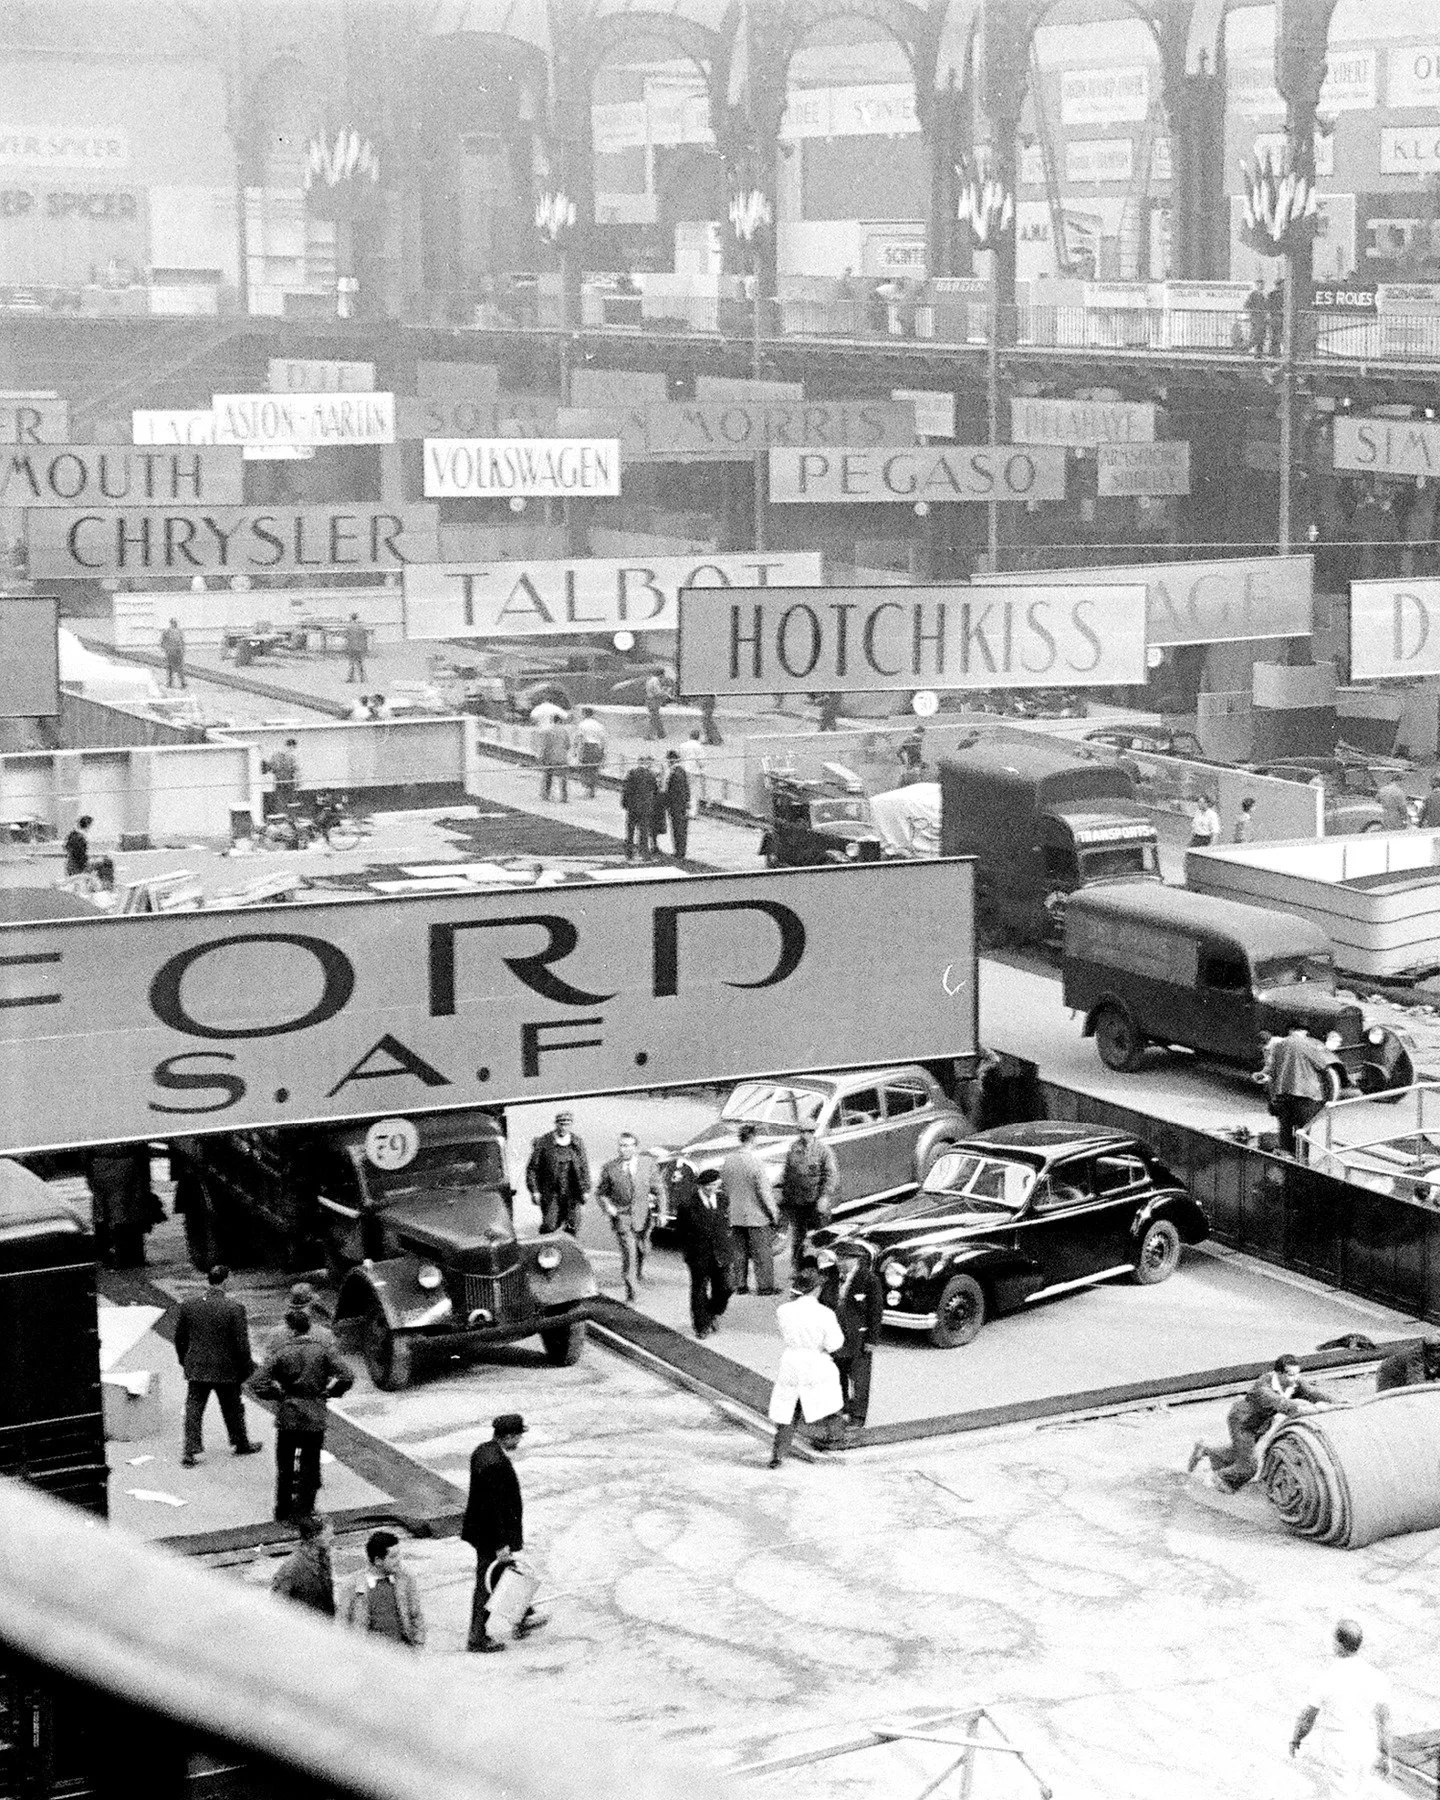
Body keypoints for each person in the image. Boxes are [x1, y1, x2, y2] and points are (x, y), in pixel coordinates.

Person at [248, 1308, 354, 1522]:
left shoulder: (282, 1352)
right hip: (314, 1413)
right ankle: (304, 1511)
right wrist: (330, 1392)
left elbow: (256, 1382)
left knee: (285, 1466)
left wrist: (277, 1394)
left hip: (288, 1414)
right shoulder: (322, 1350)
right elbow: (347, 1376)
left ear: (291, 1329)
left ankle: (283, 1510)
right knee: (310, 1464)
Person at [1187, 1353, 1342, 1492]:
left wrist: (1338, 1402)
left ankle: (1205, 1449)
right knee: (1248, 1467)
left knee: (1238, 1453)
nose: (1295, 1379)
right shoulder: (1263, 1387)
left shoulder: (1293, 1382)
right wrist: (1317, 1408)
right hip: (1243, 1422)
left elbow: (1312, 1393)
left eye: (1297, 1374)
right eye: (1290, 1375)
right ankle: (1214, 1481)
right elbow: (1285, 1406)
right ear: (1279, 1373)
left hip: (1260, 1424)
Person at [463, 1414, 543, 1653]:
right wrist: (501, 1543)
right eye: (518, 1436)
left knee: (502, 1575)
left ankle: (523, 1616)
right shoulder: (496, 1464)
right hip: (491, 1536)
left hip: (482, 1531)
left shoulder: (483, 1451)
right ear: (508, 1436)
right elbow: (493, 1507)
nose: (519, 1440)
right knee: (488, 1583)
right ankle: (477, 1637)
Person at [1290, 1619, 1392, 1795]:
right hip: (1365, 1743)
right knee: (1359, 1794)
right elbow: (1384, 1721)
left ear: (1338, 1644)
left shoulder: (1328, 1678)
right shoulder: (1376, 1677)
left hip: (1339, 1746)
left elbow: (1307, 1717)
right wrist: (1385, 1754)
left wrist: (1296, 1739)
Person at [174, 1264, 261, 1467]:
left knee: (194, 1408)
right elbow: (242, 1345)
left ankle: (190, 1450)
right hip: (226, 1367)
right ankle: (240, 1442)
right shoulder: (235, 1308)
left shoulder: (189, 1305)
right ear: (226, 1280)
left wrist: (184, 1360)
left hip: (197, 1365)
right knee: (232, 1406)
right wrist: (248, 1369)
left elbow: (180, 1338)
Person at [766, 1263, 845, 1467]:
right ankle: (835, 1437)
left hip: (791, 1361)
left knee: (788, 1409)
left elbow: (783, 1333)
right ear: (816, 1289)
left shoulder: (784, 1310)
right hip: (816, 1361)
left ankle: (778, 1454)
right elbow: (835, 1343)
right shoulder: (825, 1314)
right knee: (827, 1402)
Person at [595, 1130, 664, 1302]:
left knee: (643, 1250)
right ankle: (632, 1291)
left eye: (627, 1146)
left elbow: (660, 1190)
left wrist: (662, 1212)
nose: (623, 1149)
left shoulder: (648, 1164)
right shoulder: (610, 1168)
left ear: (635, 1148)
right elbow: (601, 1193)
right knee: (629, 1253)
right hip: (622, 1217)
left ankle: (637, 1275)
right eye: (621, 1145)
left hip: (643, 1216)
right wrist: (608, 1206)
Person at [824, 1245, 884, 1430]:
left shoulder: (869, 1279)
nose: (840, 1263)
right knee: (837, 1374)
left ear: (855, 1260)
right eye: (839, 1259)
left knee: (859, 1378)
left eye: (844, 1259)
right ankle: (840, 1407)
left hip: (858, 1338)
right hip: (836, 1336)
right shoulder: (831, 1276)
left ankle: (858, 1416)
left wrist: (872, 1339)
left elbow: (875, 1311)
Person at [722, 1121, 779, 1295]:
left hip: (735, 1214)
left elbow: (725, 1186)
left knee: (738, 1252)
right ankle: (765, 1287)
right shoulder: (756, 1163)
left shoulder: (728, 1160)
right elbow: (765, 1194)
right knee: (762, 1254)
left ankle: (740, 1285)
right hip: (756, 1216)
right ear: (753, 1139)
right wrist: (774, 1214)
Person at [1264, 1026, 1342, 1155]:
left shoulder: (1278, 1045)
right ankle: (1302, 1162)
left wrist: (1272, 1098)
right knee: (1303, 1133)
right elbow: (1323, 1067)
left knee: (1285, 1130)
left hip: (1283, 1095)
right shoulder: (1308, 1044)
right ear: (1304, 1031)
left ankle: (1285, 1158)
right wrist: (1329, 1099)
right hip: (1305, 1096)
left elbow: (1272, 1071)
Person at [675, 1167, 732, 1338]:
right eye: (711, 1185)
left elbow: (726, 1224)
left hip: (721, 1253)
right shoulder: (688, 1205)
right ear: (702, 1186)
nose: (714, 1188)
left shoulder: (723, 1200)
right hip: (699, 1254)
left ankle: (713, 1310)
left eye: (717, 1184)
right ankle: (701, 1326)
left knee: (725, 1287)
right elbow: (680, 1232)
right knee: (699, 1289)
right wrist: (689, 1252)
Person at [343, 1531, 426, 1649]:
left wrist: (418, 1644)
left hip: (404, 1652)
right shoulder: (353, 1586)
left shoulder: (405, 1578)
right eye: (393, 1557)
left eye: (398, 1555)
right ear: (378, 1561)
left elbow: (416, 1614)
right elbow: (343, 1623)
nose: (398, 1560)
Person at [87, 1143, 160, 1268]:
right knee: (127, 1211)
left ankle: (108, 1253)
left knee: (103, 1210)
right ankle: (127, 1256)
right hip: (125, 1163)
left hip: (100, 1164)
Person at [778, 1124, 839, 1267]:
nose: (804, 1135)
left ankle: (826, 1265)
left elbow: (831, 1176)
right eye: (802, 1132)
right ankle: (798, 1267)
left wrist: (824, 1197)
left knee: (822, 1235)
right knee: (798, 1237)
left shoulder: (823, 1151)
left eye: (807, 1132)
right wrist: (786, 1197)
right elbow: (788, 1173)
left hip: (816, 1199)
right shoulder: (794, 1149)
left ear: (812, 1132)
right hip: (798, 1201)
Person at [526, 1110, 590, 1235]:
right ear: (556, 1124)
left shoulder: (577, 1143)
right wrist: (534, 1191)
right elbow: (532, 1168)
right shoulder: (544, 1142)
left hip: (571, 1191)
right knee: (550, 1226)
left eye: (567, 1124)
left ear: (571, 1125)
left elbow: (584, 1167)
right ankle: (546, 1249)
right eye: (561, 1124)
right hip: (551, 1192)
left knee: (573, 1225)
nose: (564, 1127)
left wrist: (586, 1189)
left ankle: (568, 1251)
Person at [270, 1512, 336, 1617]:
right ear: (314, 1537)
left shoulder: (323, 1559)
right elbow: (277, 1607)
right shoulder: (292, 1568)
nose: (332, 1537)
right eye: (328, 1534)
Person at [266, 1282, 335, 1353]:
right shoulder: (325, 1333)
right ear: (313, 1306)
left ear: (290, 1305)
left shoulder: (274, 1333)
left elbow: (268, 1359)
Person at [621, 755, 660, 861]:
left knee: (630, 831)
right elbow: (655, 791)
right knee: (644, 831)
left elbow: (626, 790)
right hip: (645, 807)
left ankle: (629, 852)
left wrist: (624, 803)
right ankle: (644, 853)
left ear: (638, 762)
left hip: (633, 807)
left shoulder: (632, 773)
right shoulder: (651, 775)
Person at [1375, 1337, 1440, 1391]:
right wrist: (1435, 1382)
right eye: (1437, 1351)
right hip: (1389, 1375)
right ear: (1429, 1351)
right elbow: (1417, 1384)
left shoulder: (1433, 1355)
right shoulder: (1415, 1356)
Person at [662, 750, 691, 859]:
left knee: (677, 829)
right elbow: (687, 789)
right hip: (682, 805)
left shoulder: (674, 773)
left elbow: (672, 791)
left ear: (671, 760)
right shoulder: (682, 771)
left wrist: (667, 802)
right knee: (681, 829)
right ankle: (681, 851)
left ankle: (679, 852)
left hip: (676, 805)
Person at [537, 712, 571, 803]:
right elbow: (568, 745)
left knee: (548, 776)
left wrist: (542, 756)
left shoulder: (548, 730)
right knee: (563, 777)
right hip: (562, 756)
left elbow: (545, 745)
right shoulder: (564, 731)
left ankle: (546, 795)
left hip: (550, 756)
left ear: (552, 721)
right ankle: (564, 796)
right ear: (560, 721)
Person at [573, 707, 607, 798]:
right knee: (594, 769)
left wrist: (575, 749)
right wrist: (603, 752)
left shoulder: (582, 724)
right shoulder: (599, 725)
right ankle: (592, 789)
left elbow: (578, 737)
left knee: (585, 769)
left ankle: (587, 789)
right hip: (597, 747)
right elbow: (603, 739)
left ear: (584, 714)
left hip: (587, 747)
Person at [267, 739, 300, 814]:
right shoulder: (290, 757)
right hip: (284, 781)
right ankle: (283, 815)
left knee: (284, 800)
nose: (292, 750)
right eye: (292, 748)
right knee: (283, 800)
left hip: (283, 781)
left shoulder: (277, 756)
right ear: (290, 747)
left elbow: (271, 768)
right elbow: (296, 769)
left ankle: (284, 815)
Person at [679, 729, 705, 816]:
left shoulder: (683, 745)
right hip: (694, 771)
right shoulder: (698, 746)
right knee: (694, 792)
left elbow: (680, 757)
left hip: (683, 769)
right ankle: (692, 812)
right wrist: (702, 768)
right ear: (698, 737)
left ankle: (683, 810)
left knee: (684, 791)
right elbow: (701, 761)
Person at [160, 617, 186, 689]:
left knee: (172, 669)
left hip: (173, 652)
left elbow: (162, 643)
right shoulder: (176, 631)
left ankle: (173, 683)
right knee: (176, 669)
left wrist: (165, 649)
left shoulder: (167, 631)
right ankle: (180, 683)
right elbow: (182, 642)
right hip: (175, 652)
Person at [1245, 278, 1267, 356]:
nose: (1262, 286)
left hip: (1262, 318)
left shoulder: (1263, 295)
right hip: (1256, 318)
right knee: (1256, 335)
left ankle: (1259, 354)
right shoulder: (1253, 294)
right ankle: (1247, 348)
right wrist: (1253, 312)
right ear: (1257, 285)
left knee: (1261, 336)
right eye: (1260, 284)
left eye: (1263, 284)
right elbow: (1247, 305)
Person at [343, 613, 368, 683]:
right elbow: (364, 637)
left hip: (352, 647)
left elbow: (346, 637)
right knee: (360, 663)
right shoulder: (361, 627)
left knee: (351, 663)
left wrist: (346, 648)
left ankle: (351, 678)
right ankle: (362, 678)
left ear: (351, 618)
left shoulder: (349, 627)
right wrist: (364, 648)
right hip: (359, 647)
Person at [644, 670, 668, 740]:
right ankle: (651, 735)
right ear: (661, 675)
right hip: (654, 701)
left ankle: (661, 733)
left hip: (649, 700)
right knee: (654, 718)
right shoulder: (655, 680)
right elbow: (657, 692)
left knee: (655, 718)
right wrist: (665, 693)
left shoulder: (649, 680)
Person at [1266, 278, 1286, 357]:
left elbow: (1268, 305)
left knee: (1274, 335)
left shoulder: (1271, 294)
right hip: (1278, 316)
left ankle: (1273, 352)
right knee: (1278, 335)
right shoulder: (1283, 294)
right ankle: (1276, 352)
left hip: (1273, 316)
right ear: (1280, 285)